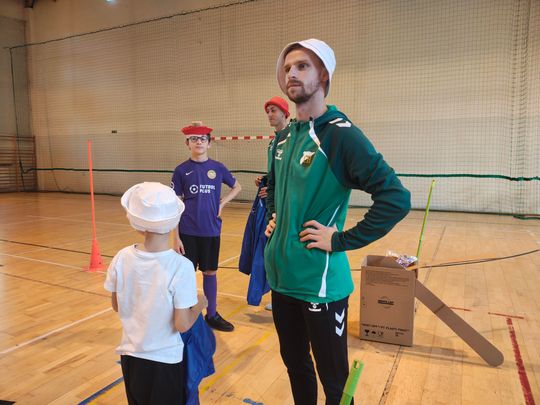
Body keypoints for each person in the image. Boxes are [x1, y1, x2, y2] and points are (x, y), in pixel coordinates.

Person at [264, 39, 411, 404]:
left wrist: (340, 240)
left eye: (302, 66)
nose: (292, 73)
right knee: (296, 366)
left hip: (321, 284)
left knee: (334, 384)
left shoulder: (340, 135)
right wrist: (275, 218)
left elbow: (395, 198)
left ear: (324, 75)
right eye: (287, 68)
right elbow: (275, 190)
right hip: (281, 279)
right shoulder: (282, 139)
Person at [104, 182, 208, 405]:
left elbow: (117, 305)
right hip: (165, 361)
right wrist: (200, 304)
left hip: (131, 356)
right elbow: (182, 324)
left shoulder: (121, 257)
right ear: (174, 220)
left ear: (137, 223)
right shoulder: (181, 266)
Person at [172, 121, 242, 332]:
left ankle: (212, 314)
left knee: (210, 272)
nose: (199, 142)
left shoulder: (218, 168)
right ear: (187, 144)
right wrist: (175, 237)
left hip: (211, 230)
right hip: (187, 232)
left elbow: (237, 186)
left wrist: (223, 202)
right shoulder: (181, 170)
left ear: (209, 143)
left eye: (203, 139)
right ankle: (187, 314)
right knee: (186, 275)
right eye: (194, 139)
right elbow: (175, 206)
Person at [241, 97, 290, 310]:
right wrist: (266, 180)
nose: (269, 114)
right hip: (273, 203)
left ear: (285, 113)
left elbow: (290, 174)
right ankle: (277, 294)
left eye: (274, 110)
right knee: (271, 249)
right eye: (268, 111)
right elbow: (276, 172)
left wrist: (273, 189)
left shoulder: (292, 138)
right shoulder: (273, 142)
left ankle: (286, 295)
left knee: (282, 250)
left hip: (285, 204)